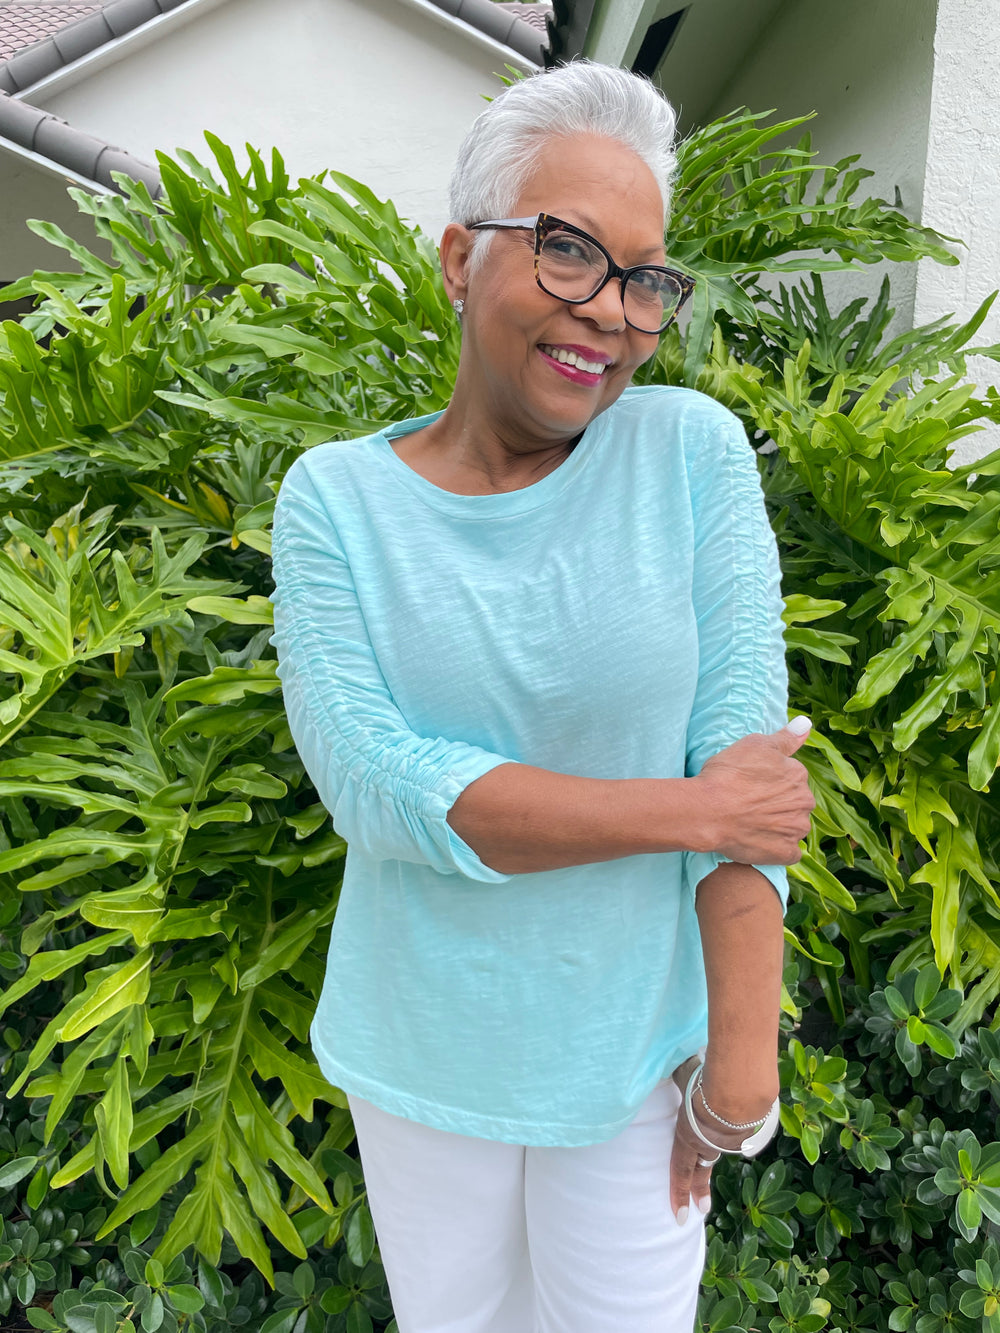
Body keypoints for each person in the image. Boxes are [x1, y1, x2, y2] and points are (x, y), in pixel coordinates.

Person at [269, 60, 814, 1333]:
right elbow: (376, 782)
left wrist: (742, 1069)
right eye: (567, 251)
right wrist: (690, 811)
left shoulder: (688, 453)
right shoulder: (335, 499)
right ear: (461, 260)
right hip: (420, 1055)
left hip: (634, 1056)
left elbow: (752, 759)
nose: (611, 311)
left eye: (642, 277)